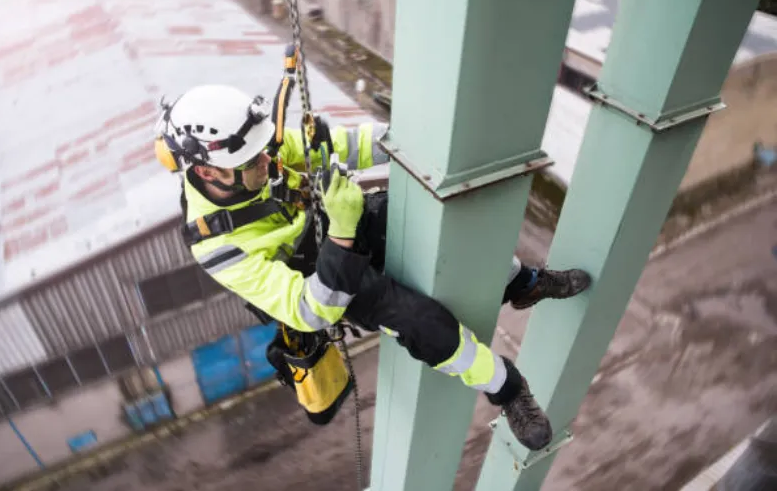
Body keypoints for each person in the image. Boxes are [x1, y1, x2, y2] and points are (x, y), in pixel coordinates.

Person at [154, 84, 591, 450]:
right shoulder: (216, 245)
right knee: (420, 322)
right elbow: (309, 311)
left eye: (265, 152)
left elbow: (343, 145)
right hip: (325, 281)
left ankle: (524, 283)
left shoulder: (254, 149)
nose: (268, 162)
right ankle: (507, 388)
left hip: (337, 221)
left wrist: (406, 142)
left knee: (440, 230)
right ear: (209, 173)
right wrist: (343, 231)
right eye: (253, 164)